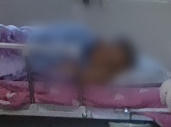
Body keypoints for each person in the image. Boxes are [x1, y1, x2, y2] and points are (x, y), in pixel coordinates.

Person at [0, 23, 134, 85]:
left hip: (19, 65)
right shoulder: (80, 35)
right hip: (13, 40)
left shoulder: (85, 69)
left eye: (110, 64)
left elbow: (43, 75)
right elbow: (37, 39)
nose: (104, 59)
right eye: (108, 54)